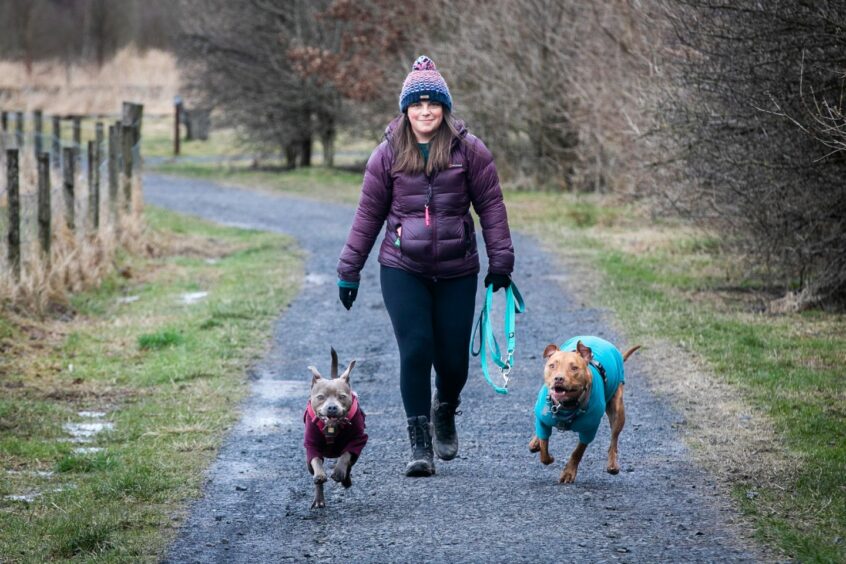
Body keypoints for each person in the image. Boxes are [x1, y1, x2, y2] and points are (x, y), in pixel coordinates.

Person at [337, 55, 515, 477]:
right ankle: (419, 444)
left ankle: (444, 409)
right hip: (403, 267)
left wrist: (501, 262)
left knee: (453, 363)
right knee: (416, 349)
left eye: (432, 104)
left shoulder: (470, 152)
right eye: (416, 105)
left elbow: (491, 207)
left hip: (457, 268)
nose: (425, 111)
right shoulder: (386, 155)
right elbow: (367, 215)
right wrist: (349, 270)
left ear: (444, 108)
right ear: (405, 110)